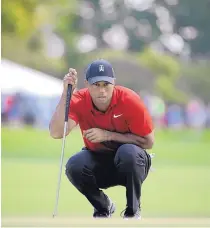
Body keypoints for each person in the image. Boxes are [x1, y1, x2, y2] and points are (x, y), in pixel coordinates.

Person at [49, 59, 154, 219]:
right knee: (74, 166)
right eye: (96, 85)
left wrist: (107, 135)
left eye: (106, 84)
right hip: (99, 164)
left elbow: (148, 142)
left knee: (128, 153)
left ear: (114, 83)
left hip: (132, 165)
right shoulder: (78, 99)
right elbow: (56, 133)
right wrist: (66, 94)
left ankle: (132, 212)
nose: (102, 91)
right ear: (86, 84)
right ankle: (103, 207)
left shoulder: (129, 99)